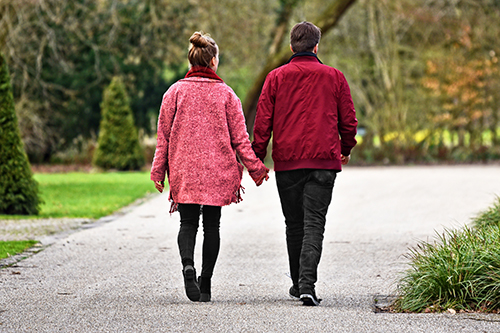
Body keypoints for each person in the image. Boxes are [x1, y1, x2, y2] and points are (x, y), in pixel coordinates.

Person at [151, 31, 269, 303]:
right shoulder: (227, 95)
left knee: (188, 222)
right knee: (212, 226)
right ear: (213, 61)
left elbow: (163, 138)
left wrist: (158, 172)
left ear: (191, 61)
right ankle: (205, 284)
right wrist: (256, 169)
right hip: (218, 171)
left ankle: (187, 266)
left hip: (185, 169)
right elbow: (240, 140)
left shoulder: (174, 93)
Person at [252, 21, 358, 306]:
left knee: (294, 224)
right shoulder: (334, 76)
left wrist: (257, 158)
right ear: (316, 46)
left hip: (288, 162)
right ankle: (307, 284)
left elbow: (262, 122)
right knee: (314, 223)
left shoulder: (275, 78)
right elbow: (349, 120)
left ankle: (299, 284)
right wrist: (346, 148)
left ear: (291, 47)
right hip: (324, 161)